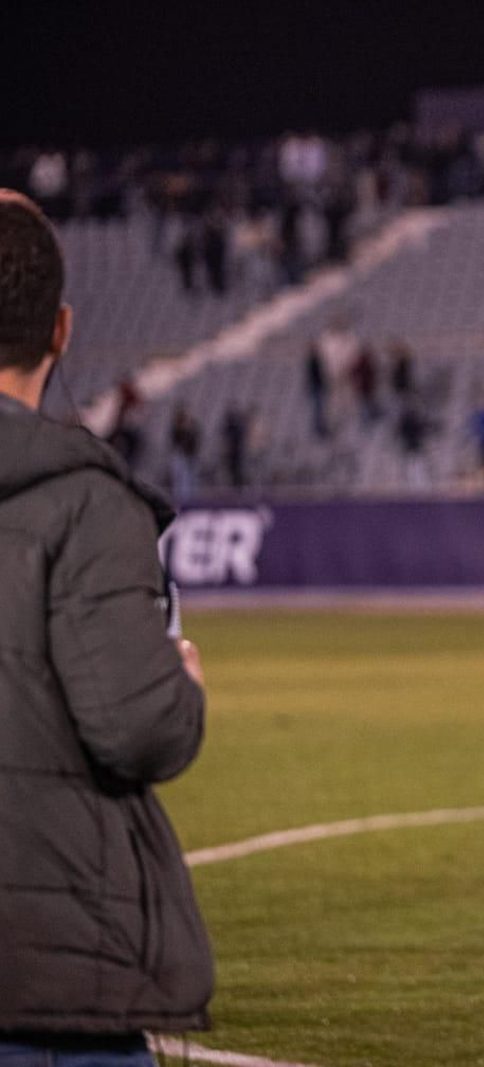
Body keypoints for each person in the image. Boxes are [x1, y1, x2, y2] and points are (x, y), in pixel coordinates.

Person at [0, 190, 212, 1060]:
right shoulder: (88, 502)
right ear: (61, 330)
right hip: (51, 976)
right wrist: (184, 689)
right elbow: (134, 726)